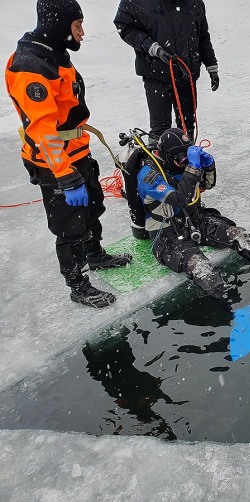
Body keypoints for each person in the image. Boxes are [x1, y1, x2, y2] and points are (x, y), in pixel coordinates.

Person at [5, 0, 132, 309]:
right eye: (77, 26)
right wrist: (64, 175)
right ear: (60, 27)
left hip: (77, 151)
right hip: (53, 162)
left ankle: (95, 255)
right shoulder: (31, 66)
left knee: (91, 208)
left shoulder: (54, 55)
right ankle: (78, 284)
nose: (82, 33)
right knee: (69, 225)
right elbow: (43, 129)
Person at [136, 128, 250, 298]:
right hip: (166, 230)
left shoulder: (183, 167)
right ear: (168, 156)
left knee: (238, 236)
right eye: (180, 158)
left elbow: (207, 185)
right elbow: (180, 199)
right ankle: (227, 305)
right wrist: (193, 168)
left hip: (193, 218)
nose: (184, 162)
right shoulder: (149, 175)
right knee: (200, 267)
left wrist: (209, 166)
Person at [113, 0, 219, 140]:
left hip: (187, 73)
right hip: (156, 74)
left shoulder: (195, 3)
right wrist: (153, 48)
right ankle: (158, 159)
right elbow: (124, 26)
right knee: (160, 130)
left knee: (187, 127)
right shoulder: (136, 2)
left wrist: (211, 66)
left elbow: (203, 35)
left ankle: (186, 159)